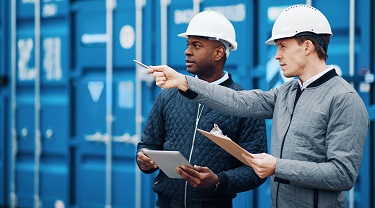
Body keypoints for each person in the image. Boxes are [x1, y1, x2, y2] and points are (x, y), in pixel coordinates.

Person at [147, 5, 369, 208]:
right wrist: (184, 82)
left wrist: (277, 167)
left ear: (307, 47)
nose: (277, 56)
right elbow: (238, 101)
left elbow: (343, 174)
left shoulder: (344, 99)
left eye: (282, 46)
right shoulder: (286, 93)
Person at [136, 10, 268, 208]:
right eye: (188, 44)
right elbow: (147, 144)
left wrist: (218, 180)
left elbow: (256, 170)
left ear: (218, 53)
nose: (187, 51)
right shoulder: (168, 95)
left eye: (196, 45)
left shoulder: (244, 104)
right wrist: (144, 160)